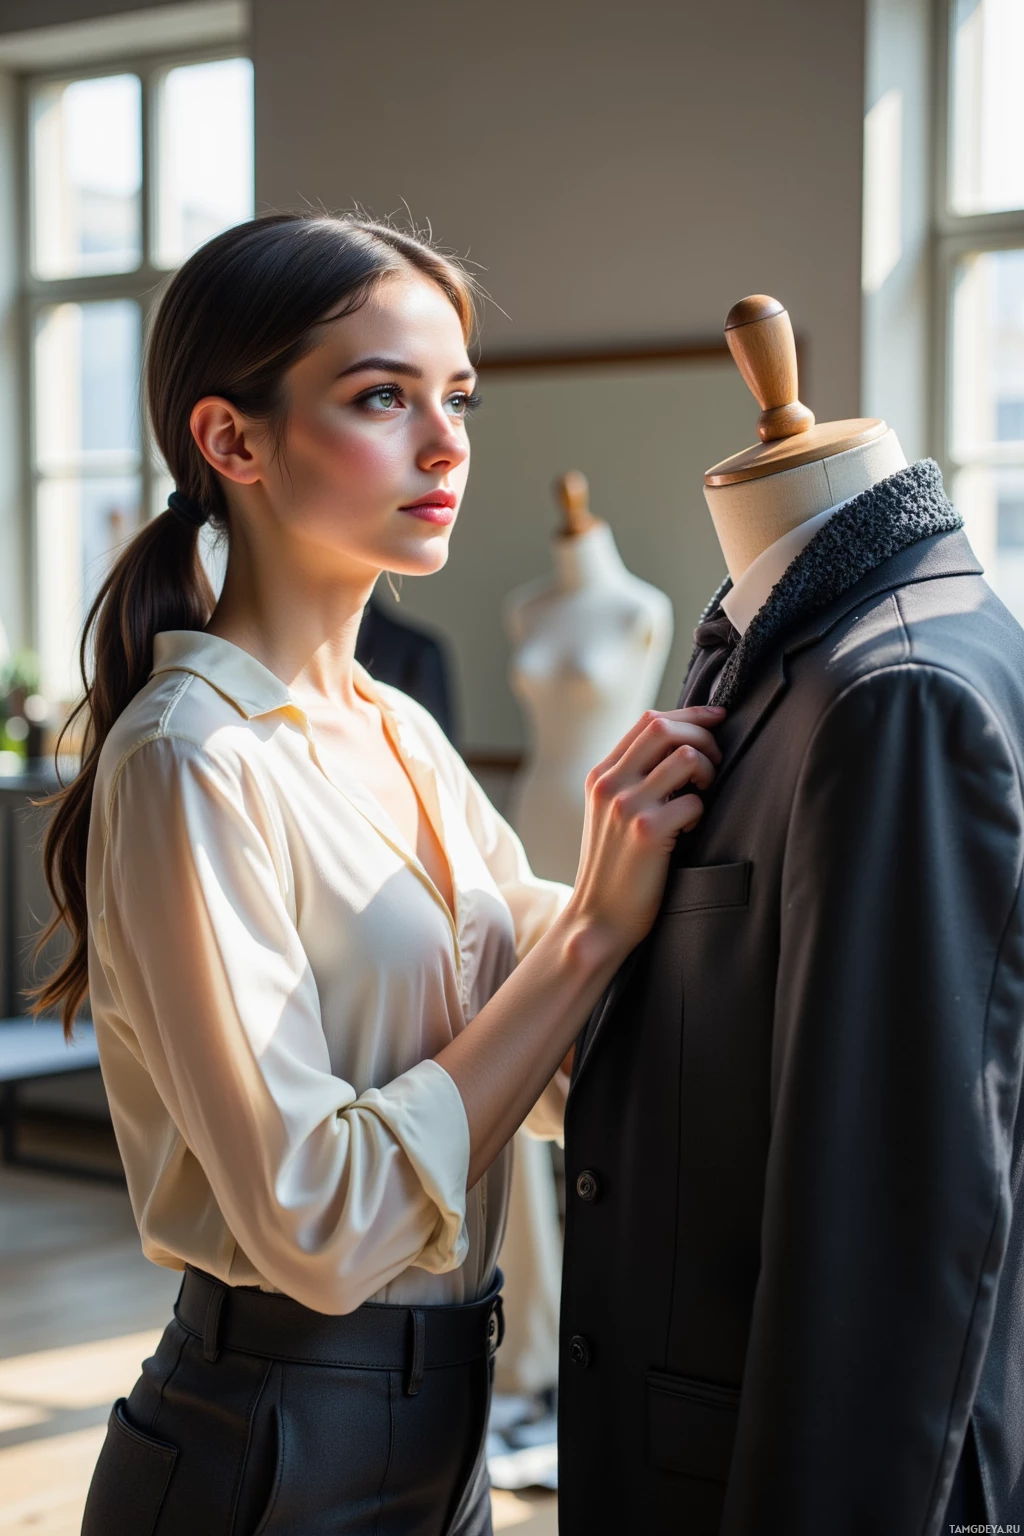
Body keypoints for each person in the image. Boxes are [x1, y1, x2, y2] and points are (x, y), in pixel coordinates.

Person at [34, 213, 725, 1535]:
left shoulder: (400, 731)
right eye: (382, 397)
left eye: (457, 397)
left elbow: (562, 1067)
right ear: (233, 440)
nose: (447, 442)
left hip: (444, 1431)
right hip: (271, 1448)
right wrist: (589, 934)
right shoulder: (188, 760)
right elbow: (321, 1222)